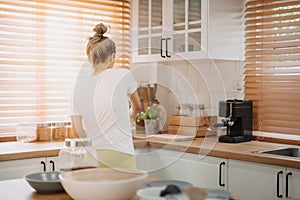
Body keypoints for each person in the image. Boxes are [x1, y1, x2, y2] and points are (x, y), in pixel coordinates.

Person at [71, 23, 141, 169]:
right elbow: (137, 108)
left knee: (95, 192)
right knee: (125, 192)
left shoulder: (78, 86)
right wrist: (130, 114)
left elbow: (77, 132)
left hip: (93, 157)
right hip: (122, 155)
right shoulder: (123, 75)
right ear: (112, 56)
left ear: (89, 58)